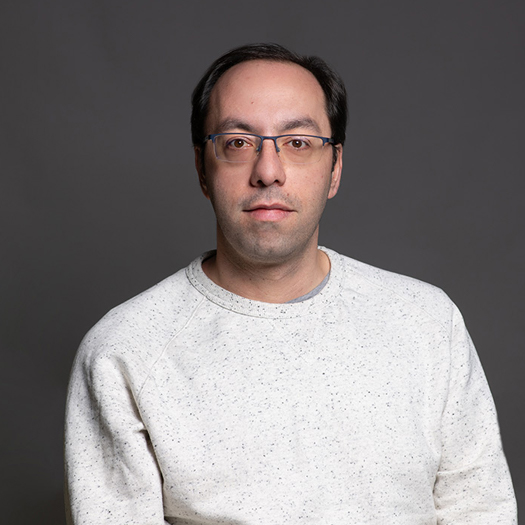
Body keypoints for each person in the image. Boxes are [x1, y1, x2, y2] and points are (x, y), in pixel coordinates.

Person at [64, 43, 517, 524]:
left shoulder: (428, 322)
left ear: (335, 168)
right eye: (238, 143)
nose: (268, 171)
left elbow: (480, 510)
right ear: (202, 168)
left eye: (298, 143)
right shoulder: (125, 350)